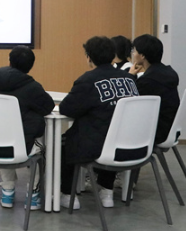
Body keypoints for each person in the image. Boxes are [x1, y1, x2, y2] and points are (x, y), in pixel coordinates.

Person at [59, 36, 139, 210]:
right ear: (112, 56)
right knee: (110, 129)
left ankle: (67, 194)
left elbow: (67, 109)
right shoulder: (129, 79)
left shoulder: (88, 80)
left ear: (89, 57)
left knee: (64, 143)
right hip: (131, 145)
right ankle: (107, 191)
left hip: (98, 146)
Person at [0, 45, 54, 210]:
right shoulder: (32, 87)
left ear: (9, 61)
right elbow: (48, 106)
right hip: (23, 145)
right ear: (30, 66)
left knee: (5, 137)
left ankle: (7, 192)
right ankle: (33, 196)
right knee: (42, 149)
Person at [129, 34, 180, 145]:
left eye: (135, 51)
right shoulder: (169, 72)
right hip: (170, 128)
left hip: (156, 132)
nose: (133, 54)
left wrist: (130, 76)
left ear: (142, 56)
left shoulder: (148, 80)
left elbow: (130, 101)